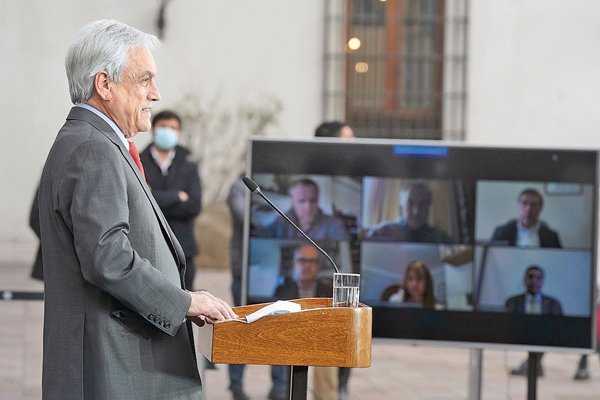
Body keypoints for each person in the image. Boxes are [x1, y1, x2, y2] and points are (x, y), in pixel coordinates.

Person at [37, 20, 237, 399]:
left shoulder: (95, 142)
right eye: (144, 80)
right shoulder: (93, 147)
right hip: (115, 367)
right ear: (104, 85)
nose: (156, 94)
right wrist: (186, 301)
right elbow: (108, 257)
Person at [140, 110, 202, 290]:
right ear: (153, 130)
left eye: (173, 128)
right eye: (163, 127)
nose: (168, 131)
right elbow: (141, 203)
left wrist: (155, 198)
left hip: (183, 249)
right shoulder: (137, 161)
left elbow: (194, 206)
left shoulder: (189, 166)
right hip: (149, 249)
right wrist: (176, 196)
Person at [272, 243, 335, 400]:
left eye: (311, 261)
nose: (306, 266)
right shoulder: (283, 290)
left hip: (321, 345)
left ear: (319, 266)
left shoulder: (329, 291)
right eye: (302, 260)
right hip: (289, 342)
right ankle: (280, 390)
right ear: (295, 264)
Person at [504, 265, 563, 378]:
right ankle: (532, 365)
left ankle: (532, 364)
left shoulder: (553, 304)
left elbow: (560, 328)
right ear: (524, 279)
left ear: (542, 281)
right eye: (530, 277)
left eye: (538, 278)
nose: (534, 281)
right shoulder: (512, 302)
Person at [257, 178, 350, 241]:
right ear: (293, 202)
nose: (308, 207)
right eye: (302, 201)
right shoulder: (282, 221)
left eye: (313, 200)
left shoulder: (334, 224)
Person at [365, 181, 453, 243]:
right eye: (410, 204)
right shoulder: (385, 230)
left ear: (429, 206)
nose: (416, 211)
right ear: (401, 206)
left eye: (422, 204)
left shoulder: (442, 238)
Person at [226, 178, 250, 400]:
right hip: (243, 270)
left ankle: (281, 386)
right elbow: (245, 217)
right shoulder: (239, 187)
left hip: (278, 272)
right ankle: (236, 384)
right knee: (241, 325)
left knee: (282, 324)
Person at [491, 188, 561, 247]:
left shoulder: (552, 237)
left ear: (540, 208)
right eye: (524, 203)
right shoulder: (501, 233)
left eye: (533, 205)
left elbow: (559, 260)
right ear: (518, 205)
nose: (528, 209)